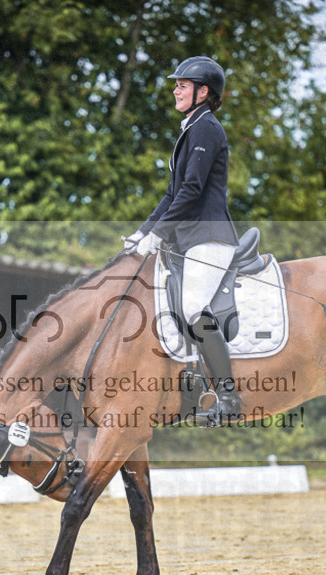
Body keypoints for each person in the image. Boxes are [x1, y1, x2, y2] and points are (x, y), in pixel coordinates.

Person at [124, 56, 242, 426]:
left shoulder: (206, 128)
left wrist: (158, 234)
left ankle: (228, 398)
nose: (175, 89)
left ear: (203, 91)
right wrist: (143, 232)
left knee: (193, 307)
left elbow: (191, 191)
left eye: (182, 84)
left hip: (209, 236)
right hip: (190, 239)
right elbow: (171, 195)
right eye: (175, 84)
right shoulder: (192, 128)